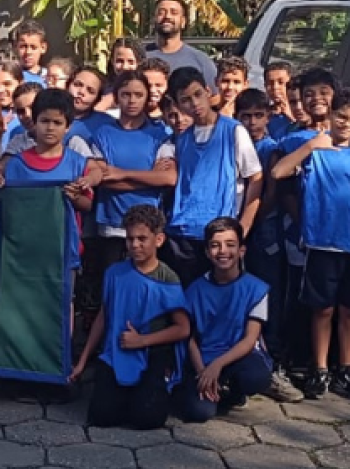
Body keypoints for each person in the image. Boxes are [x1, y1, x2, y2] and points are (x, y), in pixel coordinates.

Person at [272, 87, 350, 400]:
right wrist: (311, 146)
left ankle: (347, 369)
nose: (347, 124)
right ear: (330, 114)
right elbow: (278, 171)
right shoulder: (313, 147)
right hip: (320, 243)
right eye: (342, 116)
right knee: (322, 310)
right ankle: (319, 369)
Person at [71, 205, 190, 429]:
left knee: (147, 419)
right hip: (116, 353)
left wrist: (142, 341)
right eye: (130, 239)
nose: (135, 245)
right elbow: (104, 316)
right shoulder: (115, 273)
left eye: (142, 239)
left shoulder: (167, 278)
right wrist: (83, 361)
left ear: (159, 239)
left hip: (150, 353)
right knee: (101, 417)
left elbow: (182, 328)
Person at [162, 67, 262, 286]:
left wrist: (243, 226)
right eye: (186, 100)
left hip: (219, 234)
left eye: (198, 94)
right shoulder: (182, 138)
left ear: (208, 91)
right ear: (178, 105)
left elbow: (255, 177)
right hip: (183, 233)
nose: (195, 104)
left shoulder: (233, 131)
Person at [235, 88, 302, 404]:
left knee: (267, 297)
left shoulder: (272, 148)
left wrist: (249, 223)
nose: (251, 122)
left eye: (258, 115)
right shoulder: (233, 142)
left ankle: (271, 364)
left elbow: (271, 192)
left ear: (269, 116)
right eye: (245, 116)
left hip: (265, 233)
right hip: (233, 231)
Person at [177, 217, 274, 420]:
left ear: (241, 251)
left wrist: (217, 366)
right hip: (203, 357)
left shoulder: (257, 289)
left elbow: (250, 339)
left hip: (237, 356)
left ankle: (232, 391)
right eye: (215, 245)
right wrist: (203, 371)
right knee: (199, 413)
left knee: (257, 378)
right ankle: (209, 388)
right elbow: (189, 338)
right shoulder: (194, 290)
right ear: (207, 252)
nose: (223, 251)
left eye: (230, 245)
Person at [3, 88, 98, 280]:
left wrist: (76, 197)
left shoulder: (77, 163)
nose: (50, 128)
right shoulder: (16, 164)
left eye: (57, 122)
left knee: (63, 307)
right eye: (45, 121)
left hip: (63, 253)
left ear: (68, 126)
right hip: (23, 254)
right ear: (35, 122)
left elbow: (88, 205)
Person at [91, 71, 177, 274]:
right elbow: (102, 179)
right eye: (126, 94)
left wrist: (121, 173)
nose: (132, 100)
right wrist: (150, 178)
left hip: (149, 227)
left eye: (138, 95)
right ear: (117, 96)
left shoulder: (160, 134)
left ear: (147, 97)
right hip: (111, 225)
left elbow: (169, 178)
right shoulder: (102, 134)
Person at [145, 0, 218, 84]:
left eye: (174, 12)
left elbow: (215, 96)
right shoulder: (140, 57)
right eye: (161, 13)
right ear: (154, 20)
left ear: (183, 22)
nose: (167, 16)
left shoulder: (200, 60)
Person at [265, 61, 295, 139]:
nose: (275, 87)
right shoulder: (264, 114)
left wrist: (291, 117)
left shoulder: (301, 112)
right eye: (270, 83)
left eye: (281, 82)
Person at [13, 20, 49, 85]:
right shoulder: (11, 76)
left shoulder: (49, 78)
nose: (28, 52)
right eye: (23, 46)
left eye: (33, 47)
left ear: (43, 48)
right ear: (16, 47)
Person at [139, 57, 172, 127]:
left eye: (158, 85)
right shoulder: (126, 118)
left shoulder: (175, 121)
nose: (152, 90)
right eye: (147, 85)